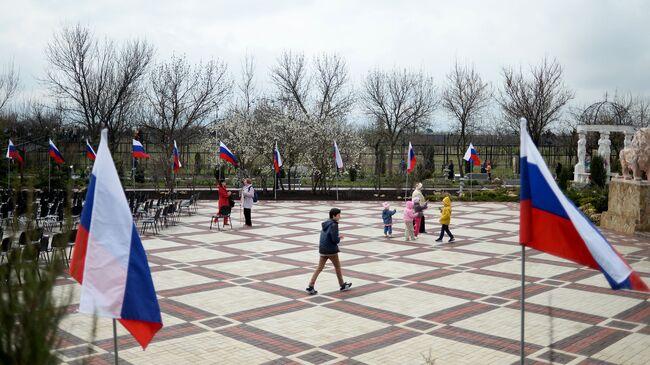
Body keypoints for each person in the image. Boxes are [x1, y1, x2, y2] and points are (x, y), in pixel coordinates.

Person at [306, 208, 352, 295]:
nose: (340, 217)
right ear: (334, 215)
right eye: (339, 215)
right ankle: (342, 285)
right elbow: (334, 240)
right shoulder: (334, 224)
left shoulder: (326, 223)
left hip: (323, 249)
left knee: (319, 268)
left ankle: (310, 286)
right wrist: (339, 238)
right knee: (337, 267)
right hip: (331, 250)